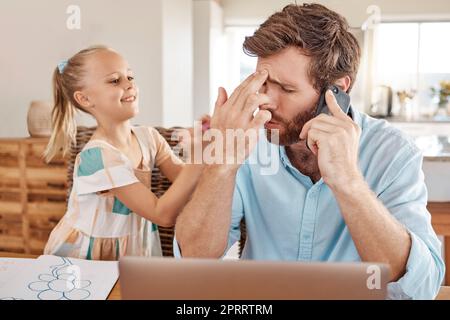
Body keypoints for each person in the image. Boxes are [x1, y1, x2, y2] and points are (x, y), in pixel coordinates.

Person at [174, 4, 445, 299]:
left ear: (337, 91)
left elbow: (420, 288)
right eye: (262, 83)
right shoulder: (249, 141)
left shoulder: (391, 152)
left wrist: (348, 182)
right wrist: (221, 165)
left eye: (286, 89)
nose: (265, 100)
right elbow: (193, 261)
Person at [44, 46, 204, 260]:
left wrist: (203, 144)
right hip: (86, 256)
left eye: (130, 76)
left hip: (135, 246)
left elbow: (191, 183)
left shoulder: (149, 137)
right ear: (84, 99)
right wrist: (199, 159)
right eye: (114, 81)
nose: (129, 84)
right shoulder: (97, 157)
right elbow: (161, 214)